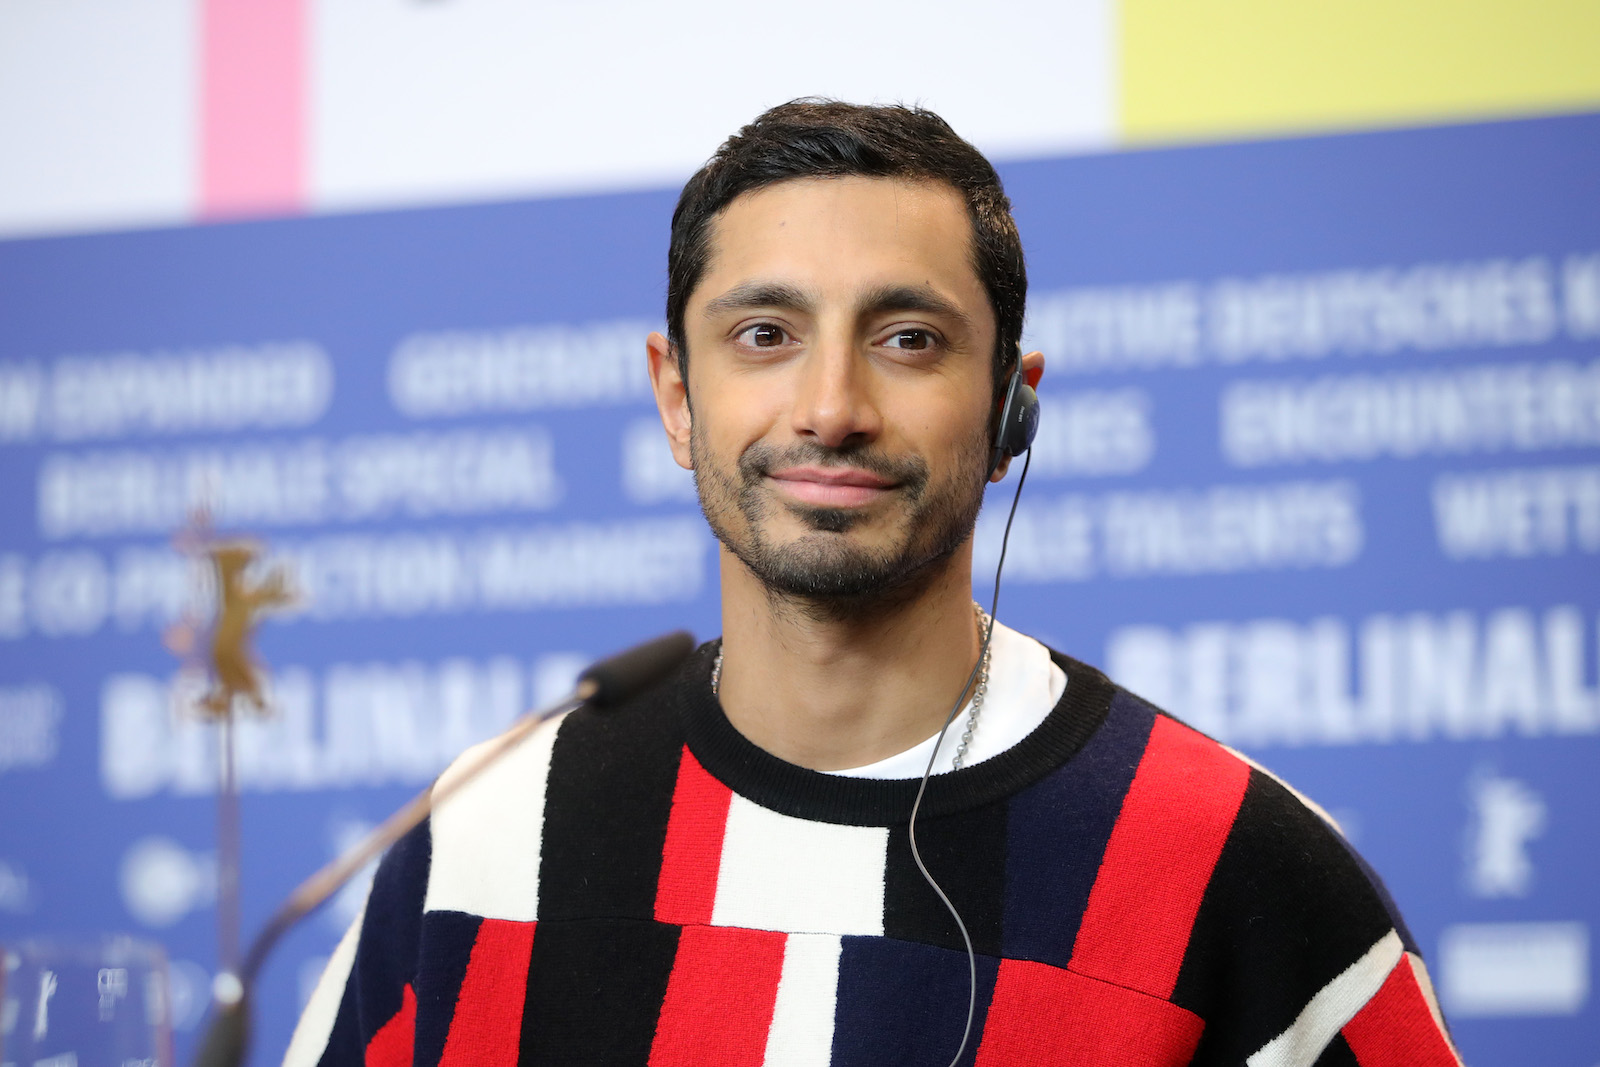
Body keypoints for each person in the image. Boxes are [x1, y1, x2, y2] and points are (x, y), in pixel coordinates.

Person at [286, 100, 1461, 1067]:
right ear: (675, 396)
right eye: (764, 334)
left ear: (1011, 404)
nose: (832, 407)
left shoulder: (1239, 867)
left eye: (907, 338)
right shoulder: (486, 835)